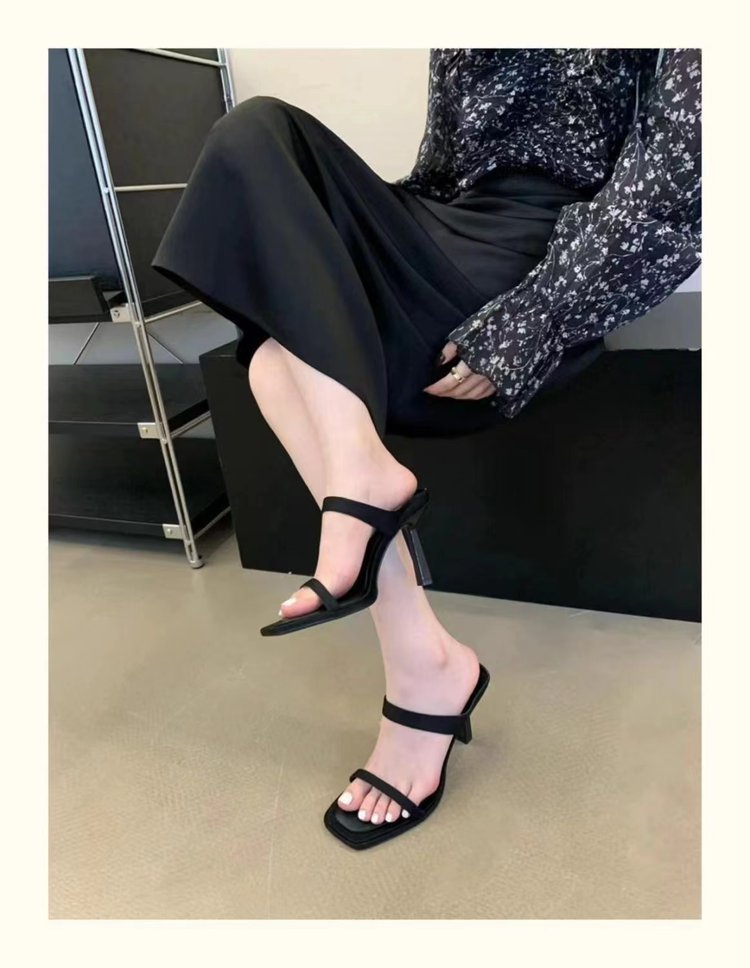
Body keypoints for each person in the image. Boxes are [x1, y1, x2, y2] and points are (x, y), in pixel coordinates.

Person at [152, 48, 701, 849]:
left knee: (276, 359)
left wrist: (538, 318)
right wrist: (340, 237)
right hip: (445, 220)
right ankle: (415, 633)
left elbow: (678, 179)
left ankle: (417, 654)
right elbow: (447, 159)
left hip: (547, 252)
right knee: (252, 135)